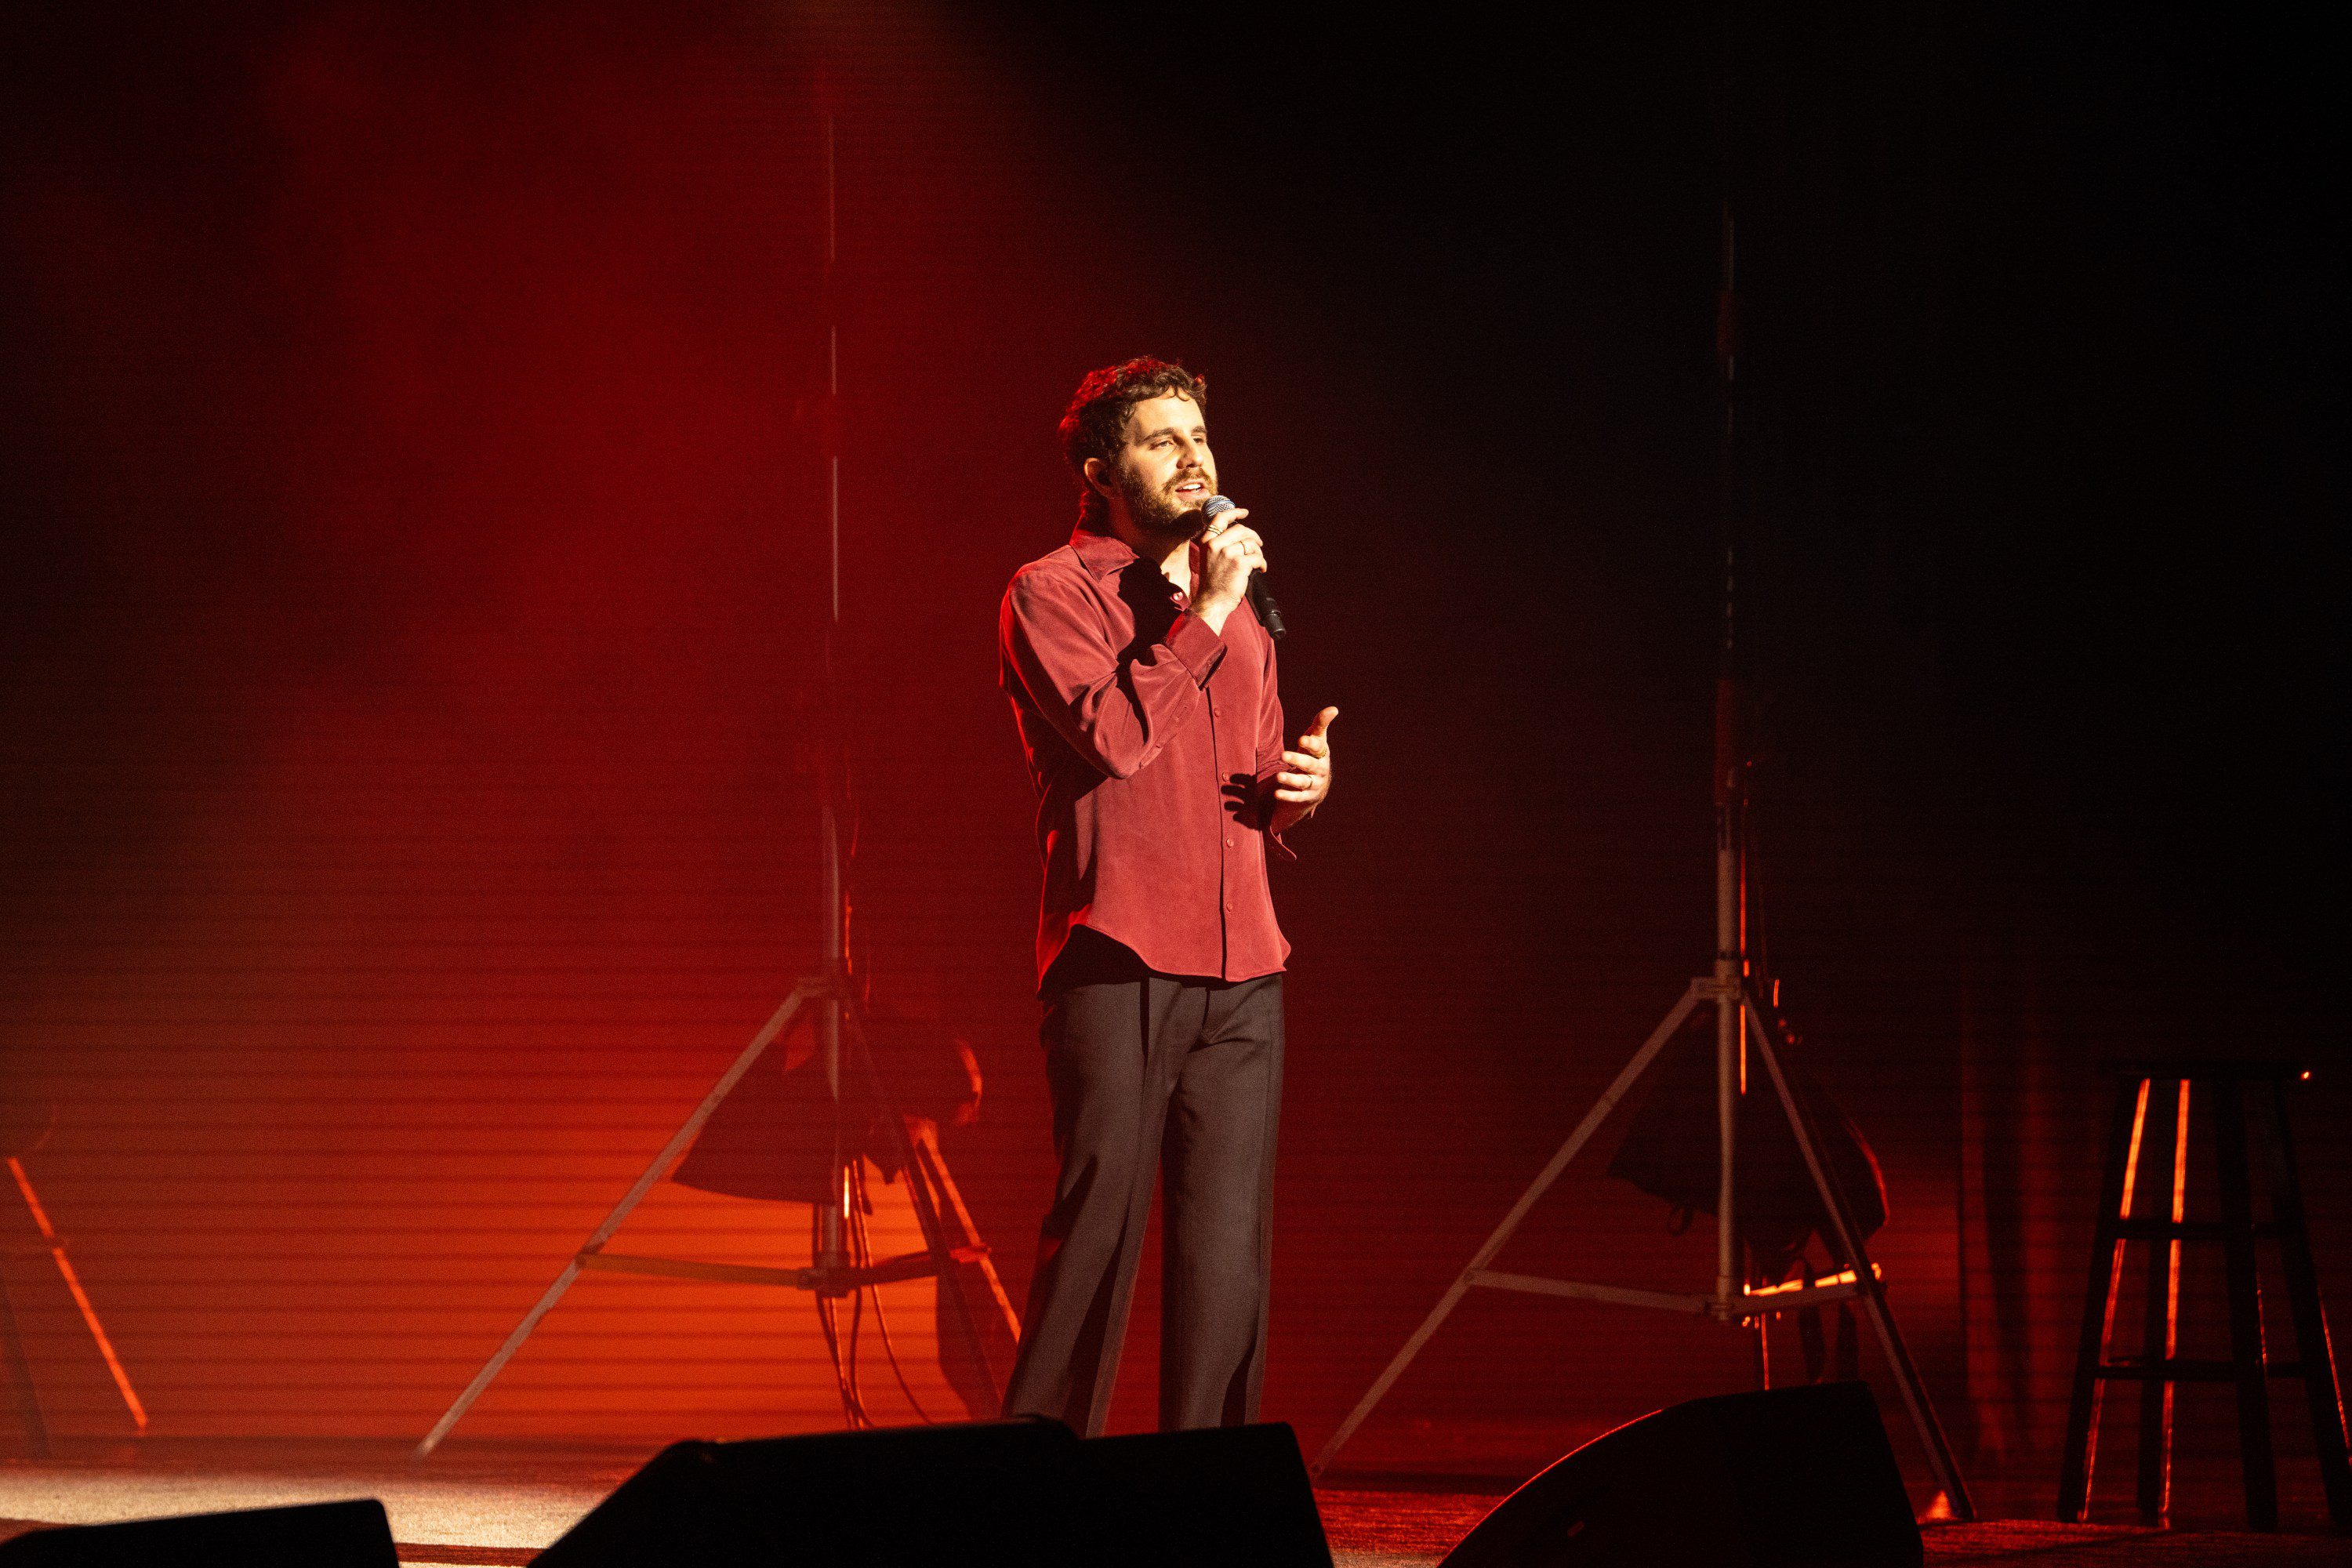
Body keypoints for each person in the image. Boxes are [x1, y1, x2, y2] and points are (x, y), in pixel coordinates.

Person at [995, 357, 1335, 1435]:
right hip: (1123, 954)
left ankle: (1210, 1493)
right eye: (1161, 440)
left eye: (1200, 435)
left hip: (1246, 968)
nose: (1194, 457)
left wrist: (1300, 792)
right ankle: (1032, 1489)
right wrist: (1211, 609)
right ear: (1102, 474)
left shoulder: (1239, 614)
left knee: (1227, 1249)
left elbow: (1250, 777)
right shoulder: (1052, 592)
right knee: (1098, 1232)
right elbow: (1116, 738)